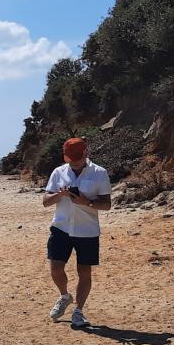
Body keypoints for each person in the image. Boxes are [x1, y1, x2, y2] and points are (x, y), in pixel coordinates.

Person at [43, 137, 112, 327]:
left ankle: (79, 311)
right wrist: (60, 194)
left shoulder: (99, 173)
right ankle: (64, 296)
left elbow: (107, 204)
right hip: (61, 227)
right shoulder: (58, 172)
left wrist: (86, 202)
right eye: (70, 158)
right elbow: (45, 201)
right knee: (56, 269)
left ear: (86, 153)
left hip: (87, 230)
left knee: (84, 272)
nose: (74, 161)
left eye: (77, 157)